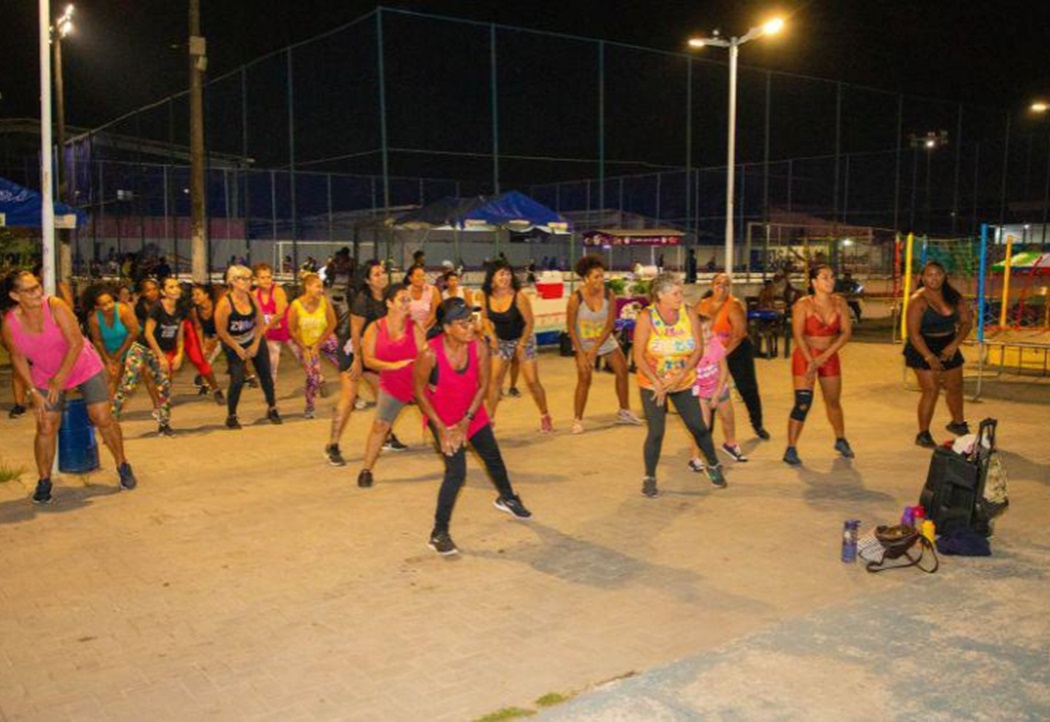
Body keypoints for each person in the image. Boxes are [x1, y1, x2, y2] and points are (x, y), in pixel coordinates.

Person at [1, 270, 137, 502]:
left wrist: (60, 378)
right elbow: (17, 358)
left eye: (37, 286)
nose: (37, 292)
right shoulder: (10, 323)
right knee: (46, 425)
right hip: (46, 373)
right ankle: (44, 481)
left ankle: (122, 464)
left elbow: (75, 343)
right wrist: (32, 391)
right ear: (15, 296)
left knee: (102, 417)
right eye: (29, 290)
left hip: (82, 365)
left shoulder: (55, 306)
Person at [414, 297, 533, 555]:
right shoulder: (430, 353)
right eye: (463, 323)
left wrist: (466, 421)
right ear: (447, 328)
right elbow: (419, 392)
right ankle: (439, 533)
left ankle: (507, 497)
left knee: (493, 458)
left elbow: (483, 386)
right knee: (456, 473)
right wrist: (442, 429)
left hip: (471, 412)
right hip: (442, 418)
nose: (471, 327)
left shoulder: (478, 347)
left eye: (471, 320)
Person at [633, 273, 725, 497]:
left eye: (680, 292)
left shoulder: (689, 313)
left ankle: (713, 464)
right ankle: (649, 477)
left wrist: (681, 375)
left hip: (683, 381)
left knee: (698, 427)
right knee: (656, 431)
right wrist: (657, 382)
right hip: (653, 383)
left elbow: (698, 350)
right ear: (660, 295)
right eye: (675, 293)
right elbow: (638, 356)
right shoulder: (647, 317)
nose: (680, 297)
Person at [782, 265, 855, 466]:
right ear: (814, 282)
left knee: (833, 401)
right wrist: (811, 360)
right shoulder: (803, 304)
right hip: (805, 355)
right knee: (803, 402)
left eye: (832, 277)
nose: (830, 281)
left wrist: (825, 357)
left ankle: (840, 439)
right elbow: (798, 335)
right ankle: (791, 447)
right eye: (825, 277)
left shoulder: (839, 303)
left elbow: (846, 333)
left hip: (829, 356)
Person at [356, 284, 426, 488]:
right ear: (389, 303)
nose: (407, 304)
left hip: (418, 383)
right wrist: (393, 366)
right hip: (393, 384)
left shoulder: (415, 328)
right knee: (380, 426)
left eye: (409, 300)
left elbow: (426, 357)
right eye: (402, 300)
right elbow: (368, 360)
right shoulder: (375, 328)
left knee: (439, 421)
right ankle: (366, 470)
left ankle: (454, 460)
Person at [565, 255, 641, 433]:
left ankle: (624, 411)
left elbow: (609, 325)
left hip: (603, 339)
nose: (600, 280)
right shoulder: (576, 299)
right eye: (596, 277)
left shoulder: (609, 295)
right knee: (585, 378)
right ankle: (577, 419)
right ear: (586, 278)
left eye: (602, 276)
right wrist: (582, 353)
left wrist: (595, 349)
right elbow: (570, 327)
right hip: (582, 342)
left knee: (622, 369)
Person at [903, 261, 972, 447]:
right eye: (929, 275)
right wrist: (929, 357)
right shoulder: (917, 300)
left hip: (948, 343)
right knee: (931, 389)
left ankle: (957, 423)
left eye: (938, 274)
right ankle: (923, 433)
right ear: (922, 278)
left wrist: (953, 345)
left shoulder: (954, 297)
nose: (934, 278)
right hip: (922, 346)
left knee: (956, 386)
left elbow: (966, 322)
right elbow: (913, 334)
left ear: (944, 276)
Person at [480, 259, 553, 431]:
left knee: (532, 381)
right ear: (492, 278)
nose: (505, 278)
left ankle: (545, 415)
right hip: (501, 340)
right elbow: (485, 318)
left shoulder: (519, 297)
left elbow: (530, 322)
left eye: (508, 274)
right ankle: (489, 420)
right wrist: (492, 337)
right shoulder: (485, 296)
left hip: (523, 338)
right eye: (501, 274)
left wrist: (521, 344)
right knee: (494, 380)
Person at [695, 273, 770, 440]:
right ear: (712, 285)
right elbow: (693, 327)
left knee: (747, 388)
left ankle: (757, 424)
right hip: (711, 351)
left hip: (736, 349)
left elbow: (738, 335)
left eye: (726, 284)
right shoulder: (702, 305)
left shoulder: (734, 305)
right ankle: (707, 431)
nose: (722, 287)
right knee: (708, 388)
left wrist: (719, 356)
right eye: (718, 283)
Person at [214, 265, 282, 429]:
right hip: (233, 342)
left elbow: (260, 322)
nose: (248, 282)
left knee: (265, 374)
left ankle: (272, 407)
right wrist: (237, 348)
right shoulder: (225, 304)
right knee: (237, 379)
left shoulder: (251, 298)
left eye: (249, 279)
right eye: (243, 279)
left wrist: (256, 343)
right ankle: (231, 415)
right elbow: (221, 331)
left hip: (253, 338)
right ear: (233, 281)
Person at [688, 313, 747, 470]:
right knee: (703, 426)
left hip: (719, 387)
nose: (709, 334)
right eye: (704, 331)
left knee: (728, 417)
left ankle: (730, 444)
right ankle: (695, 457)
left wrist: (717, 393)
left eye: (710, 329)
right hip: (700, 393)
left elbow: (723, 369)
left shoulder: (715, 344)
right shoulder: (690, 350)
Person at [112, 278, 171, 430]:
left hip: (157, 348)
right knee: (127, 384)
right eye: (148, 290)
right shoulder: (139, 306)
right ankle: (111, 418)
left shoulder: (164, 305)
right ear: (143, 293)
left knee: (163, 385)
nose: (152, 292)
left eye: (154, 289)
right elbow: (139, 330)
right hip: (140, 346)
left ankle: (164, 423)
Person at [142, 276, 190, 436]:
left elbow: (180, 336)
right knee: (138, 382)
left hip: (169, 349)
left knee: (165, 385)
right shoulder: (157, 308)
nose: (176, 289)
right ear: (163, 291)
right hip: (151, 349)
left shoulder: (181, 309)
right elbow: (148, 334)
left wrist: (180, 354)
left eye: (177, 286)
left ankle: (163, 421)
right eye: (171, 287)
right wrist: (160, 356)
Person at [288, 273, 338, 419]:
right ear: (307, 287)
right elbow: (292, 330)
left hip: (324, 338)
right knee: (312, 377)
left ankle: (354, 396)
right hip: (306, 344)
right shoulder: (296, 305)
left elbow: (332, 324)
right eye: (318, 287)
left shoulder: (324, 302)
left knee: (345, 366)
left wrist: (319, 343)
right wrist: (304, 349)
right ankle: (310, 406)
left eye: (322, 287)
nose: (321, 290)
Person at [85, 284, 139, 399]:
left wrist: (118, 355)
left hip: (131, 347)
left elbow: (133, 333)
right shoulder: (94, 318)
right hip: (110, 351)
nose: (109, 306)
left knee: (129, 380)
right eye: (104, 305)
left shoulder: (123, 310)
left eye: (110, 302)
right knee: (111, 376)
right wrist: (108, 360)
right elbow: (98, 341)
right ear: (97, 307)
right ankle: (110, 406)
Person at [253, 263, 299, 389]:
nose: (267, 280)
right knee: (272, 363)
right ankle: (270, 391)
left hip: (288, 329)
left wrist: (265, 328)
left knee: (300, 356)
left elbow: (280, 314)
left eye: (269, 277)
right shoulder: (254, 295)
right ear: (256, 279)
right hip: (272, 331)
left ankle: (318, 379)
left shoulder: (277, 291)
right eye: (262, 278)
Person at [404, 263, 441, 332]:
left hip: (429, 328)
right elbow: (403, 313)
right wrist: (412, 329)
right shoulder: (405, 291)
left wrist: (421, 328)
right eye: (418, 276)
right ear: (410, 278)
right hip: (409, 328)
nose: (421, 278)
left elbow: (435, 313)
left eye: (423, 275)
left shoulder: (433, 290)